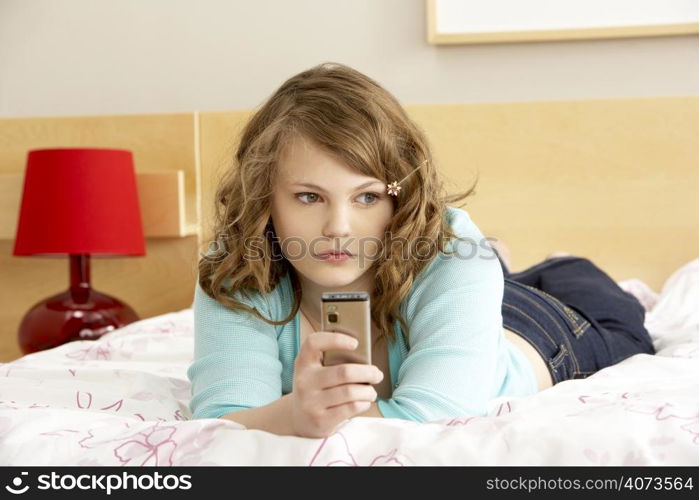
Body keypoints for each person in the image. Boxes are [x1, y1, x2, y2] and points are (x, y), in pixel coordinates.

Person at [187, 62, 655, 439]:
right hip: (445, 297)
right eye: (309, 197)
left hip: (538, 331)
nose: (338, 229)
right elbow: (220, 424)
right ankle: (498, 265)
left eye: (367, 196)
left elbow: (435, 419)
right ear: (265, 195)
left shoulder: (449, 251)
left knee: (617, 318)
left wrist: (288, 421)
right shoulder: (236, 266)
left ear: (399, 197)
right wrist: (293, 414)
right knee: (474, 274)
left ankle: (556, 262)